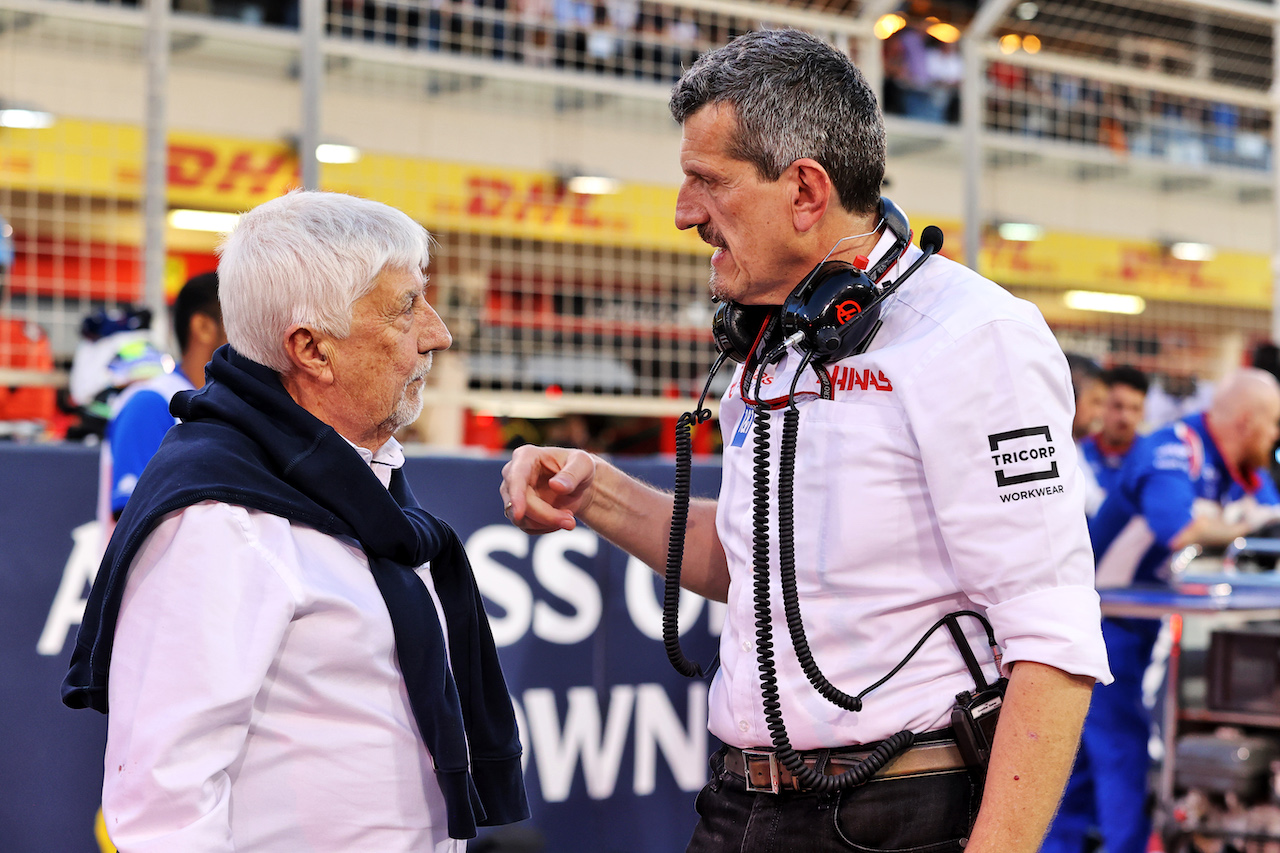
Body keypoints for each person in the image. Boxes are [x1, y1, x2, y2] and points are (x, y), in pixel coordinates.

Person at [501, 29, 1109, 852]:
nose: (684, 213)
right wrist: (597, 491)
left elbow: (1054, 636)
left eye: (706, 181)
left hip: (902, 815)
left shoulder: (976, 336)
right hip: (737, 803)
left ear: (806, 192)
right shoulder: (781, 337)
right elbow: (753, 567)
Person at [63, 190, 528, 852]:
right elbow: (166, 809)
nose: (437, 332)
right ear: (312, 348)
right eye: (405, 307)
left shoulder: (358, 479)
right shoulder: (221, 516)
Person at [1044, 368, 1280, 853]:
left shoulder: (1240, 467)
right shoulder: (1175, 448)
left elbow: (1269, 518)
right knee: (1122, 757)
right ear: (1248, 421)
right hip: (1100, 624)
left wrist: (1234, 519)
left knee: (1082, 767)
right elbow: (1180, 530)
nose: (1276, 436)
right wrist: (1237, 522)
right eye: (1273, 423)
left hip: (1141, 624)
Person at [98, 272, 226, 530]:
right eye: (244, 321)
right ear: (203, 327)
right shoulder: (150, 402)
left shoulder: (224, 406)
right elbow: (135, 523)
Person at [1079, 364, 1149, 516]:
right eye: (1118, 406)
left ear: (1144, 412)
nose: (1125, 417)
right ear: (1103, 405)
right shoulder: (1078, 453)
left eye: (1134, 408)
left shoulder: (1152, 458)